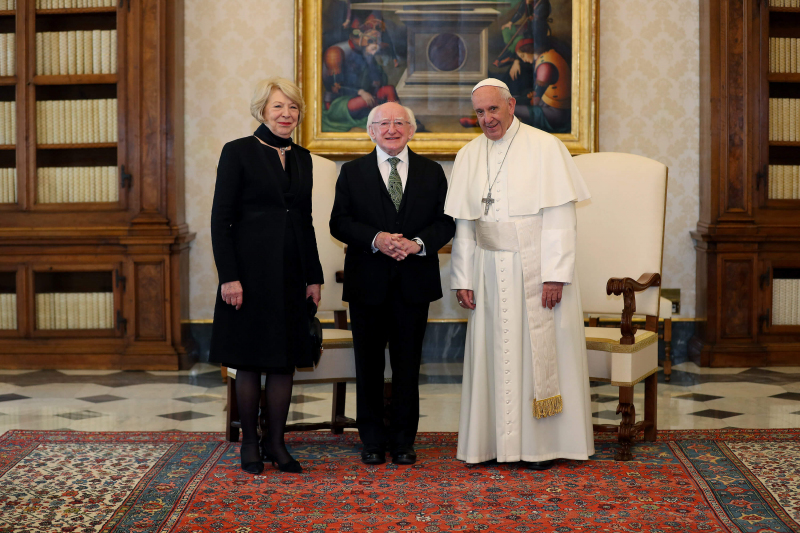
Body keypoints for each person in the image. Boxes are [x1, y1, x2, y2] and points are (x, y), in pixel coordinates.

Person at [445, 78, 593, 470]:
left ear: (511, 105)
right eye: (479, 112)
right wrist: (463, 277)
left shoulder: (546, 147)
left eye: (493, 109)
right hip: (489, 270)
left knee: (539, 356)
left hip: (537, 268)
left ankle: (544, 446)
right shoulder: (469, 155)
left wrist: (555, 274)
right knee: (493, 355)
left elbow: (561, 218)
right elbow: (464, 224)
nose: (487, 118)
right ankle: (493, 444)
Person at [330, 102, 455, 465]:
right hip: (366, 284)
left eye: (399, 122)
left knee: (407, 366)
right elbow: (339, 223)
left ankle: (403, 441)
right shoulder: (352, 172)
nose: (391, 129)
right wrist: (377, 238)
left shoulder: (432, 172)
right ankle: (371, 440)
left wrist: (416, 244)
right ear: (370, 131)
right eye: (383, 123)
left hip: (414, 284)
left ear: (412, 130)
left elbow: (446, 222)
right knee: (367, 366)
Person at [210, 77, 323, 475]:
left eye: (292, 107)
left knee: (284, 362)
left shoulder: (303, 157)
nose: (286, 114)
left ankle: (277, 441)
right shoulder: (238, 152)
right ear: (262, 110)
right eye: (278, 107)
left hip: (291, 275)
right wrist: (229, 277)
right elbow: (220, 219)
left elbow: (304, 220)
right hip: (248, 275)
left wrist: (314, 275)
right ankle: (251, 444)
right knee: (249, 360)